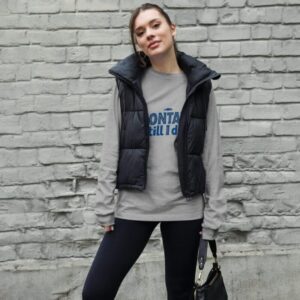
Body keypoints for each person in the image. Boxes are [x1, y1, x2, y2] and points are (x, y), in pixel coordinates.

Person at [82, 3, 226, 300]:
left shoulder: (199, 86)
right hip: (135, 204)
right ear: (137, 44)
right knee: (96, 292)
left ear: (172, 29)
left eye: (155, 25)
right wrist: (104, 204)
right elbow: (112, 146)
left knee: (180, 293)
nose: (149, 34)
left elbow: (211, 154)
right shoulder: (127, 85)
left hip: (185, 207)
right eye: (140, 32)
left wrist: (213, 216)